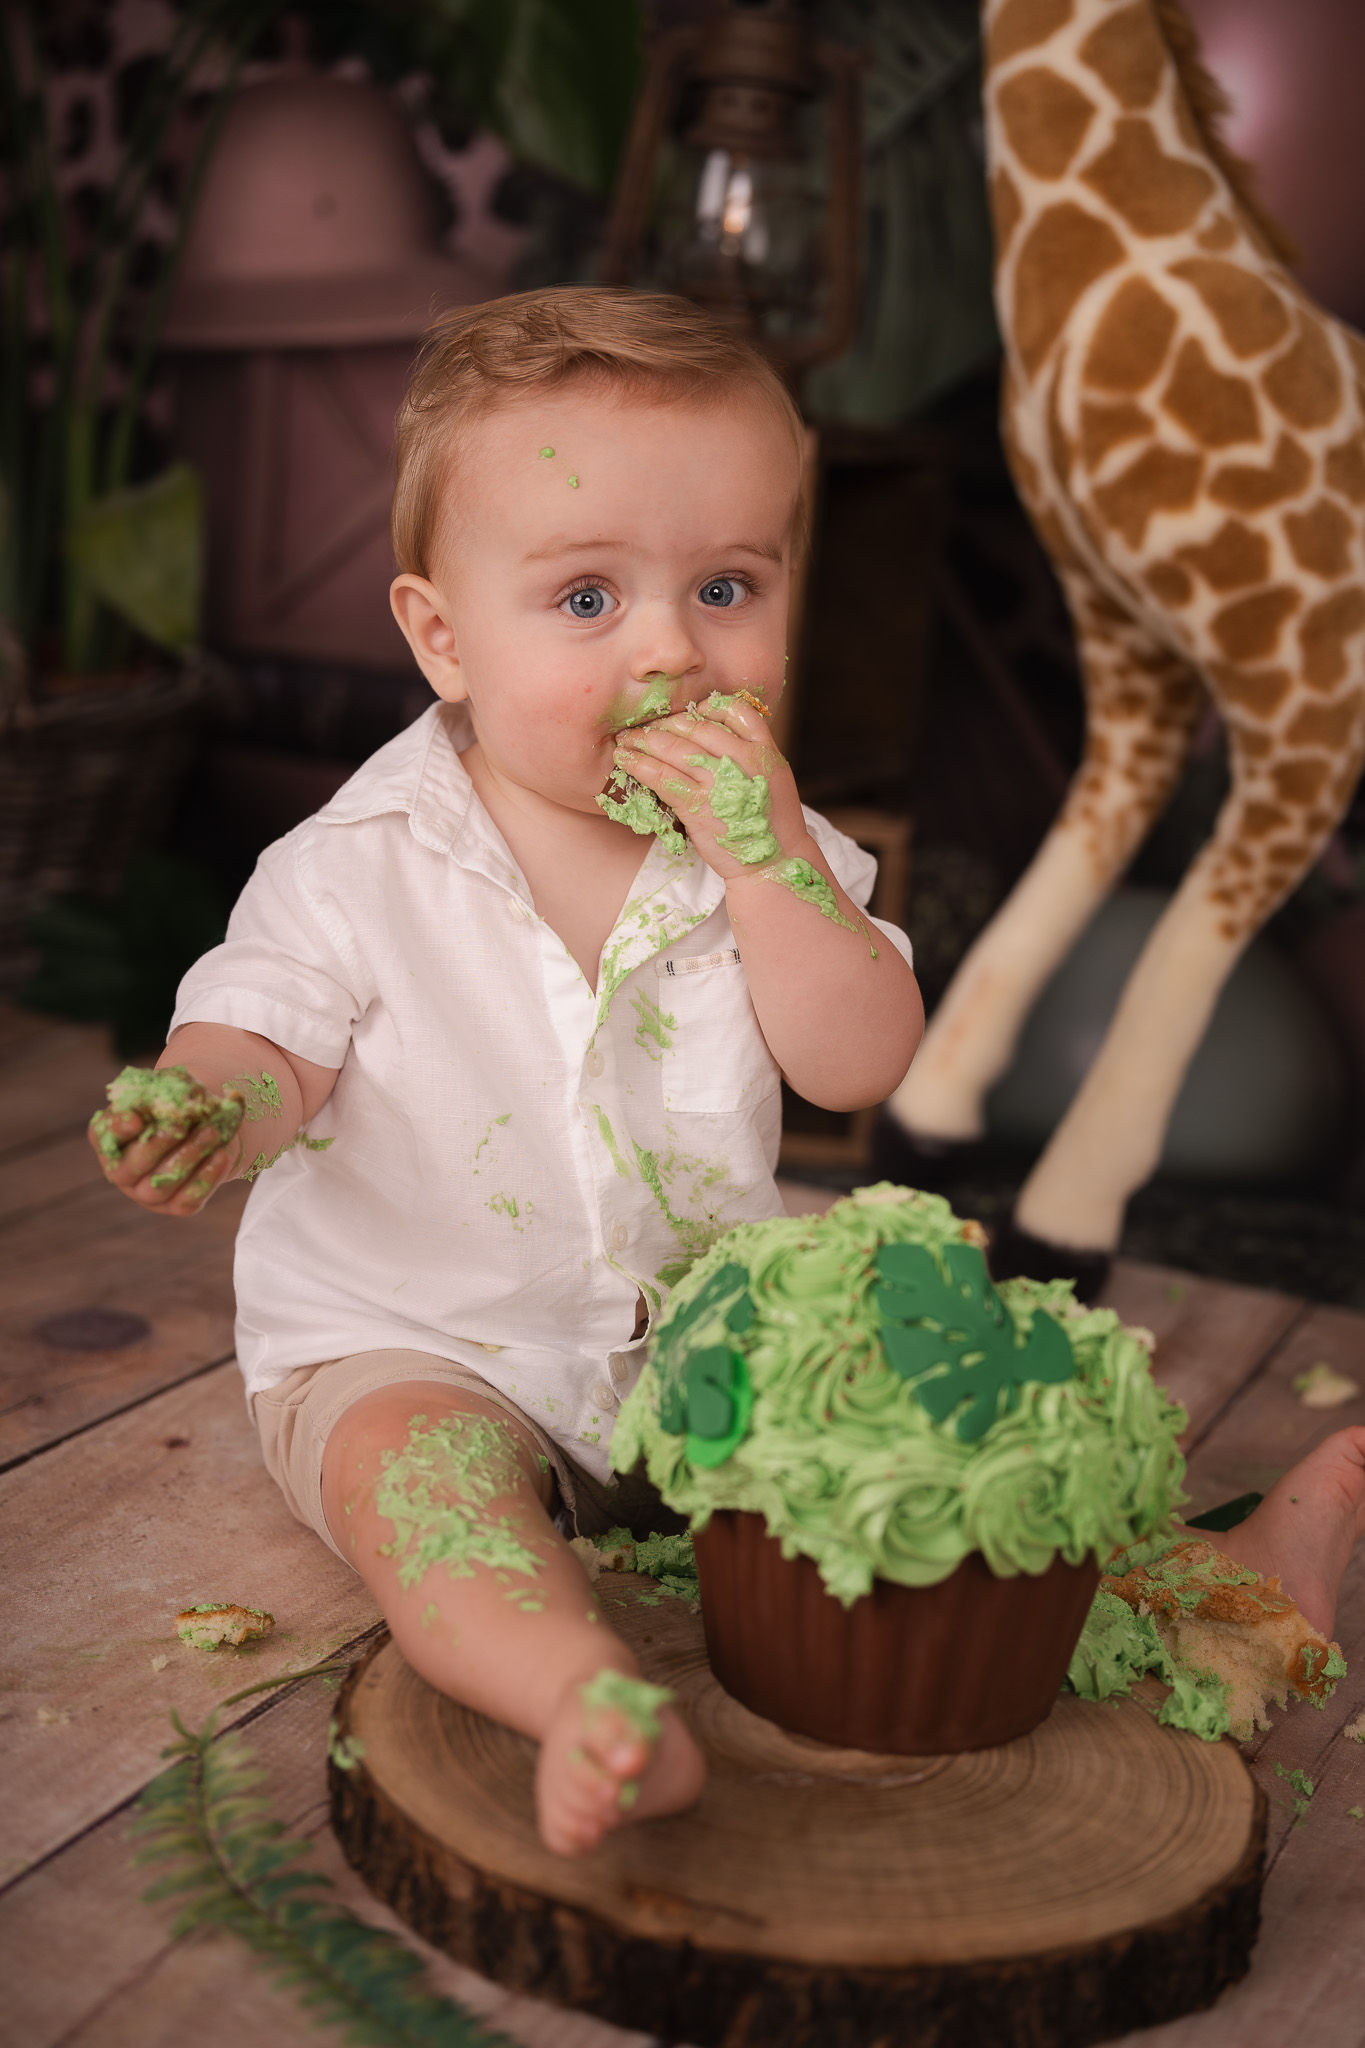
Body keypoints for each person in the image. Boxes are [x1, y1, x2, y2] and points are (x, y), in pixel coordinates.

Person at [89, 289, 924, 1856]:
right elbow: (266, 1034)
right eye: (589, 599)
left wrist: (771, 878)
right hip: (424, 1340)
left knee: (920, 1401)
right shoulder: (355, 865)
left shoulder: (778, 855)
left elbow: (857, 1057)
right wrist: (210, 1101)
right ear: (441, 636)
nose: (676, 646)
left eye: (727, 586)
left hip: (696, 1347)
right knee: (432, 1496)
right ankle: (574, 1690)